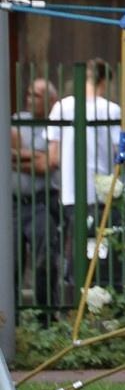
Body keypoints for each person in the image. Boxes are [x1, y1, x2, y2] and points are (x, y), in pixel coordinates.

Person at [45, 59, 123, 291]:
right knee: (102, 247)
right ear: (103, 81)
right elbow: (118, 152)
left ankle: (73, 292)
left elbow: (53, 156)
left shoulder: (61, 107)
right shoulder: (111, 109)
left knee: (74, 246)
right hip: (101, 192)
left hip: (70, 190)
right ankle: (101, 290)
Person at [11, 78, 59, 306]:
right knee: (10, 263)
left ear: (51, 100)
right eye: (29, 94)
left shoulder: (55, 125)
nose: (30, 99)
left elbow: (46, 166)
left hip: (41, 203)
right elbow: (8, 153)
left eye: (36, 96)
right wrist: (35, 156)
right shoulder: (19, 120)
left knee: (45, 260)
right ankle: (11, 317)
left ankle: (45, 315)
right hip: (13, 205)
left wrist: (19, 155)